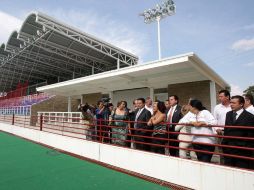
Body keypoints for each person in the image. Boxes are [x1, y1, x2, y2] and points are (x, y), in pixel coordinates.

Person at [222, 95, 254, 169]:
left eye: (234, 103)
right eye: (230, 103)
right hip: (228, 149)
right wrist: (224, 144)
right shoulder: (228, 114)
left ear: (241, 104)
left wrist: (245, 148)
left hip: (242, 151)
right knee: (229, 170)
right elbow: (226, 129)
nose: (231, 104)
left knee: (241, 171)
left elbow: (251, 135)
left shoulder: (250, 117)